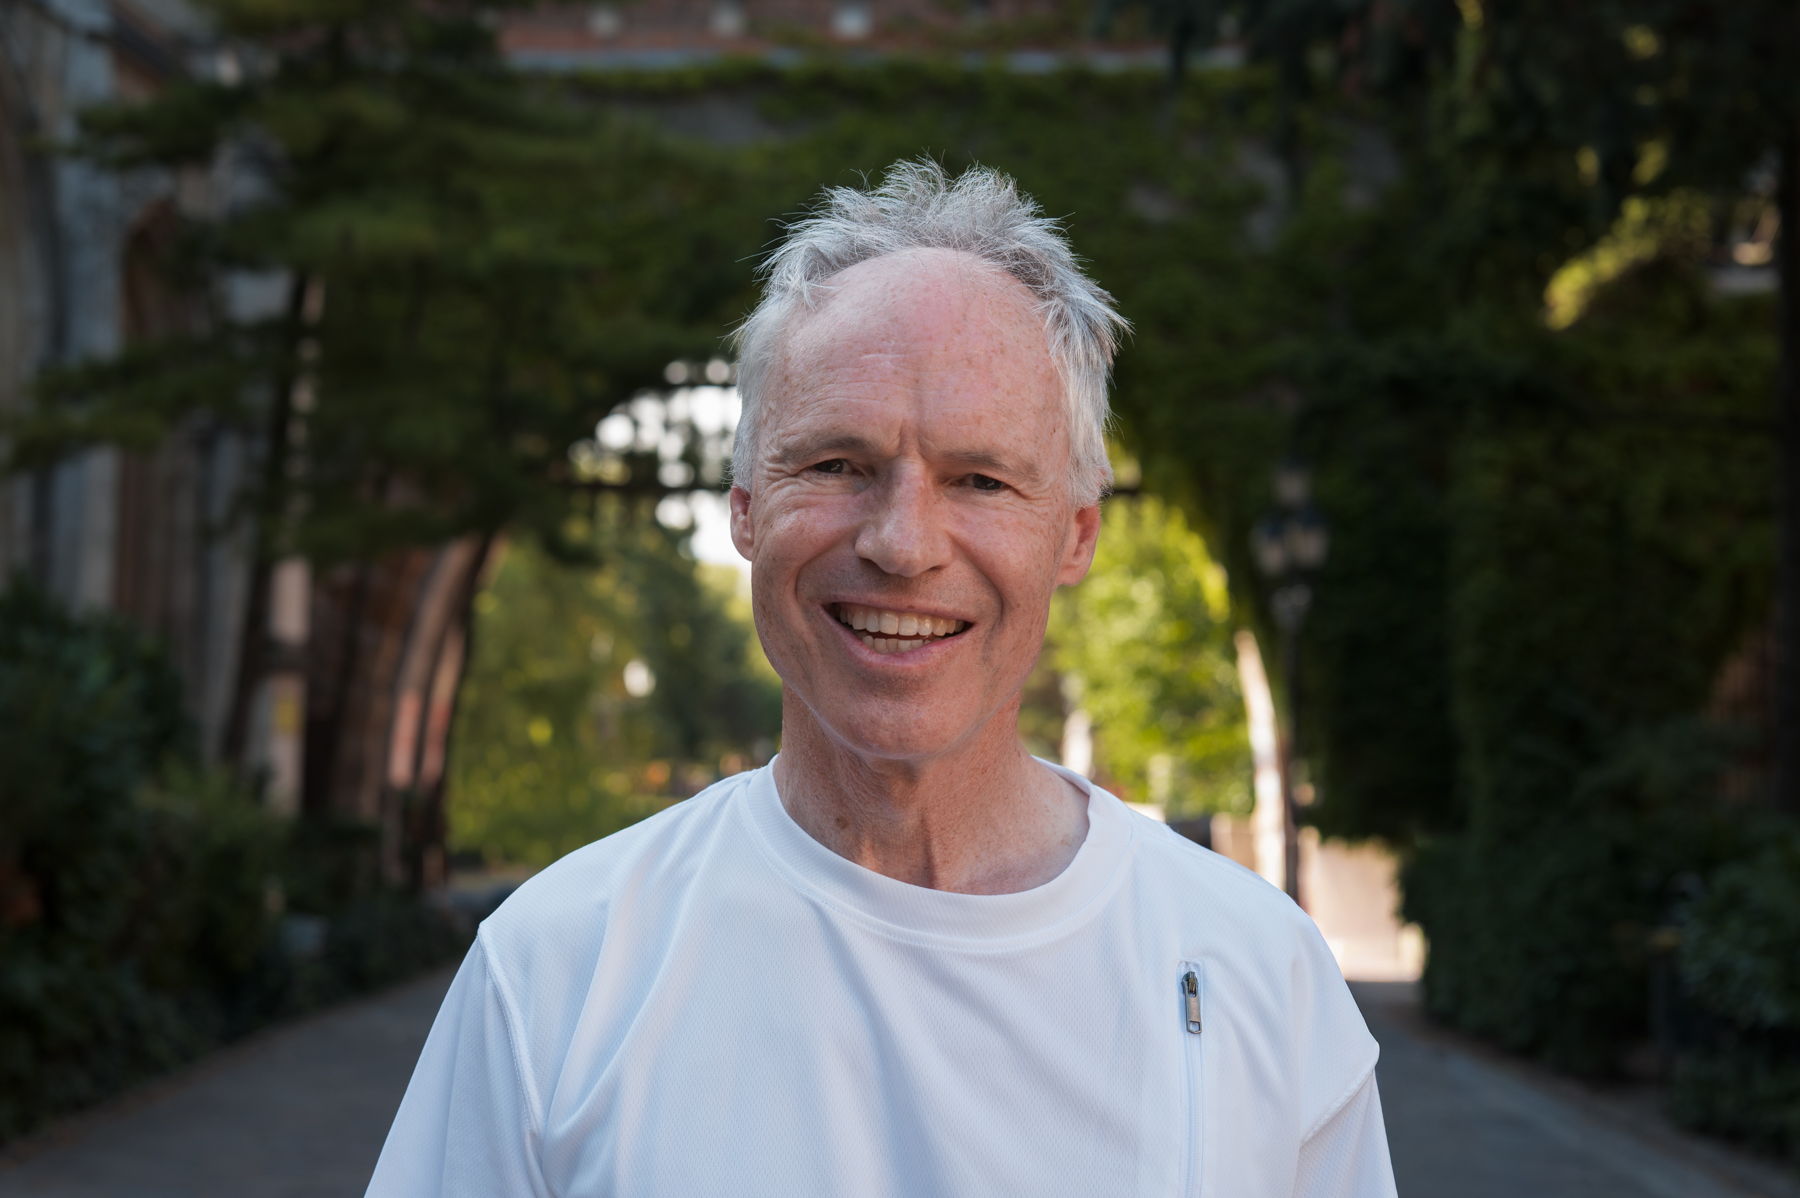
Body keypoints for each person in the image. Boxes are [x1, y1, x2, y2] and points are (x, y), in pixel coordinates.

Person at [366, 159, 1397, 1198]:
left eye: (980, 479)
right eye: (837, 466)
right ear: (745, 511)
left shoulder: (1261, 975)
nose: (903, 543)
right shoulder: (553, 975)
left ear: (1074, 536)